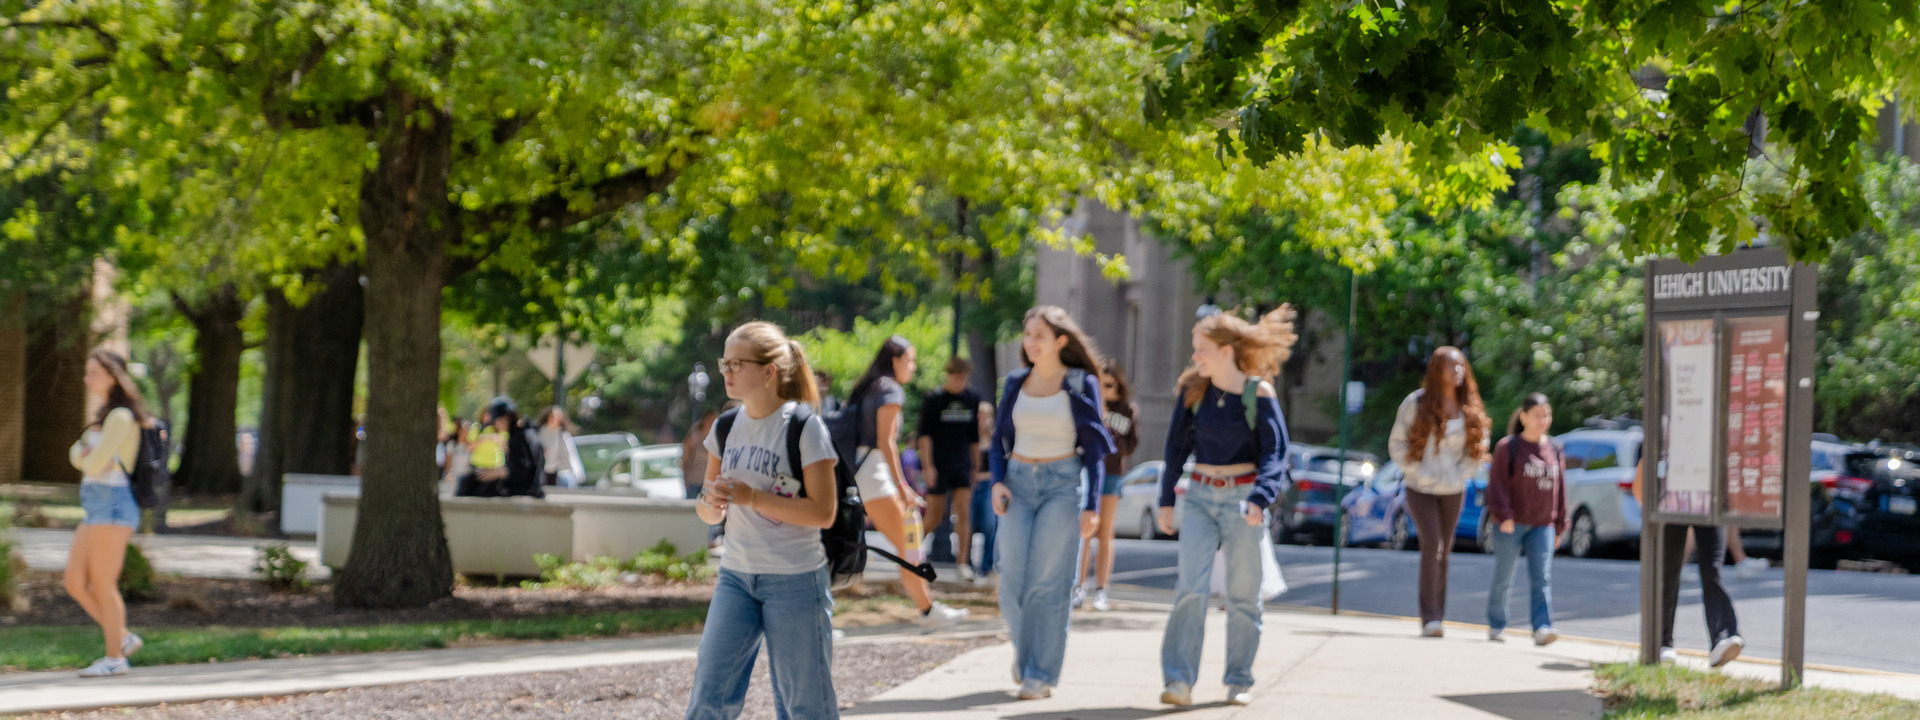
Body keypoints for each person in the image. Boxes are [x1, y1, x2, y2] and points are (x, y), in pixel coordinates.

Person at [686, 322, 841, 720]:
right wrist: (713, 500)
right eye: (725, 363)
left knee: (804, 707)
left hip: (795, 580)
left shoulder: (805, 428)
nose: (727, 372)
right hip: (736, 576)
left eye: (738, 364)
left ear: (769, 371)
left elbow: (824, 513)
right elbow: (707, 510)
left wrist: (754, 498)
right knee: (708, 699)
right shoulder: (725, 426)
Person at [1156, 307, 1295, 707]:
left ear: (1225, 350)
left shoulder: (1259, 393)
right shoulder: (1193, 392)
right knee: (1190, 591)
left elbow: (1275, 453)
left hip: (1243, 499)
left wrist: (1260, 496)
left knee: (1243, 596)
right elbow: (1175, 449)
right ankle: (1178, 681)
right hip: (1199, 496)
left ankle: (1239, 680)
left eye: (1202, 349)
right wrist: (1166, 499)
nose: (1195, 356)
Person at [987, 306, 1115, 700]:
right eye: (1027, 335)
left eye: (1039, 335)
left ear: (1061, 340)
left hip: (1062, 484)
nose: (1030, 342)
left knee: (1049, 583)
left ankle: (1038, 673)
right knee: (1010, 579)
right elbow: (996, 440)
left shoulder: (1080, 383)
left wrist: (1092, 505)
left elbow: (1095, 450)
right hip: (1018, 483)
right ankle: (1026, 654)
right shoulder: (1015, 382)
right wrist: (996, 483)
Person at [846, 337, 969, 631]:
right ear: (895, 361)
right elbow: (886, 441)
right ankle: (928, 612)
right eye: (910, 361)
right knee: (908, 544)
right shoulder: (890, 389)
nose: (913, 367)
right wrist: (902, 485)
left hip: (862, 469)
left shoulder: (871, 387)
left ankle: (928, 610)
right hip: (873, 472)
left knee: (906, 546)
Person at [1388, 346, 1491, 637]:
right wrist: (1418, 472)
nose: (1457, 372)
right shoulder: (1415, 403)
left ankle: (1438, 616)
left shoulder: (1468, 404)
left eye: (1461, 367)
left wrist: (1460, 475)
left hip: (1454, 489)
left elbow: (1478, 447)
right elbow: (1397, 444)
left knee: (1444, 550)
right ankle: (1429, 617)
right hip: (1419, 487)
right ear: (1437, 370)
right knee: (1431, 545)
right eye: (1451, 367)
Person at [64, 349, 153, 677]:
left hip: (114, 502)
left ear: (113, 376)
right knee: (74, 581)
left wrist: (84, 455)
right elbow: (82, 455)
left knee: (103, 583)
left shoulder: (120, 417)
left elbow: (91, 460)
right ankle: (124, 637)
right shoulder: (104, 415)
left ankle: (115, 659)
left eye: (94, 374)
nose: (87, 379)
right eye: (87, 373)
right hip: (96, 502)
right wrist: (84, 455)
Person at [1633, 461, 1744, 667]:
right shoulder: (1668, 430)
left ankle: (1722, 637)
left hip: (1709, 500)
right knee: (1668, 570)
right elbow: (1645, 468)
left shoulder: (1714, 429)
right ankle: (1662, 643)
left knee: (1712, 569)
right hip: (1673, 500)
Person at [1485, 393, 1569, 646]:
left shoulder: (1555, 448)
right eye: (1537, 415)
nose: (1543, 420)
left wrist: (1560, 525)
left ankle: (1542, 627)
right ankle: (1497, 623)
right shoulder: (1507, 447)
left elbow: (1560, 488)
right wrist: (1505, 515)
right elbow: (1496, 486)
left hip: (1543, 524)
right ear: (1523, 417)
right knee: (1504, 576)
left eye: (1547, 415)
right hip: (1511, 524)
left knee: (1542, 577)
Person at [1075, 359, 1139, 612]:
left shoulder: (1127, 409)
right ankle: (1078, 587)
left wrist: (1109, 439)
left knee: (1105, 532)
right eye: (1101, 384)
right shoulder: (1089, 403)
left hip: (1111, 474)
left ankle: (1101, 589)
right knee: (1084, 532)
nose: (1105, 389)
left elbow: (1131, 445)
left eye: (1110, 385)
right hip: (1086, 472)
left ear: (1118, 385)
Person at [918, 357, 984, 582]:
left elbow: (974, 435)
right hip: (938, 464)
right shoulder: (934, 398)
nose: (960, 381)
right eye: (956, 377)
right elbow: (924, 435)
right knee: (934, 515)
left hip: (962, 464)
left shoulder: (972, 398)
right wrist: (927, 466)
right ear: (948, 375)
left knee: (964, 513)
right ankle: (908, 555)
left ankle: (963, 564)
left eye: (963, 377)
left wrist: (976, 465)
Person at [969, 399, 999, 581]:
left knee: (990, 524)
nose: (983, 420)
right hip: (971, 485)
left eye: (986, 417)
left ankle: (987, 564)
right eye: (980, 416)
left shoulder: (995, 439)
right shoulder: (969, 437)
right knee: (968, 524)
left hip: (988, 484)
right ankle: (966, 563)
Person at [536, 406, 583, 488]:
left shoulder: (563, 434)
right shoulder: (540, 432)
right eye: (554, 416)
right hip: (542, 470)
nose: (556, 419)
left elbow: (571, 454)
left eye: (559, 416)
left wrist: (578, 471)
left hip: (558, 471)